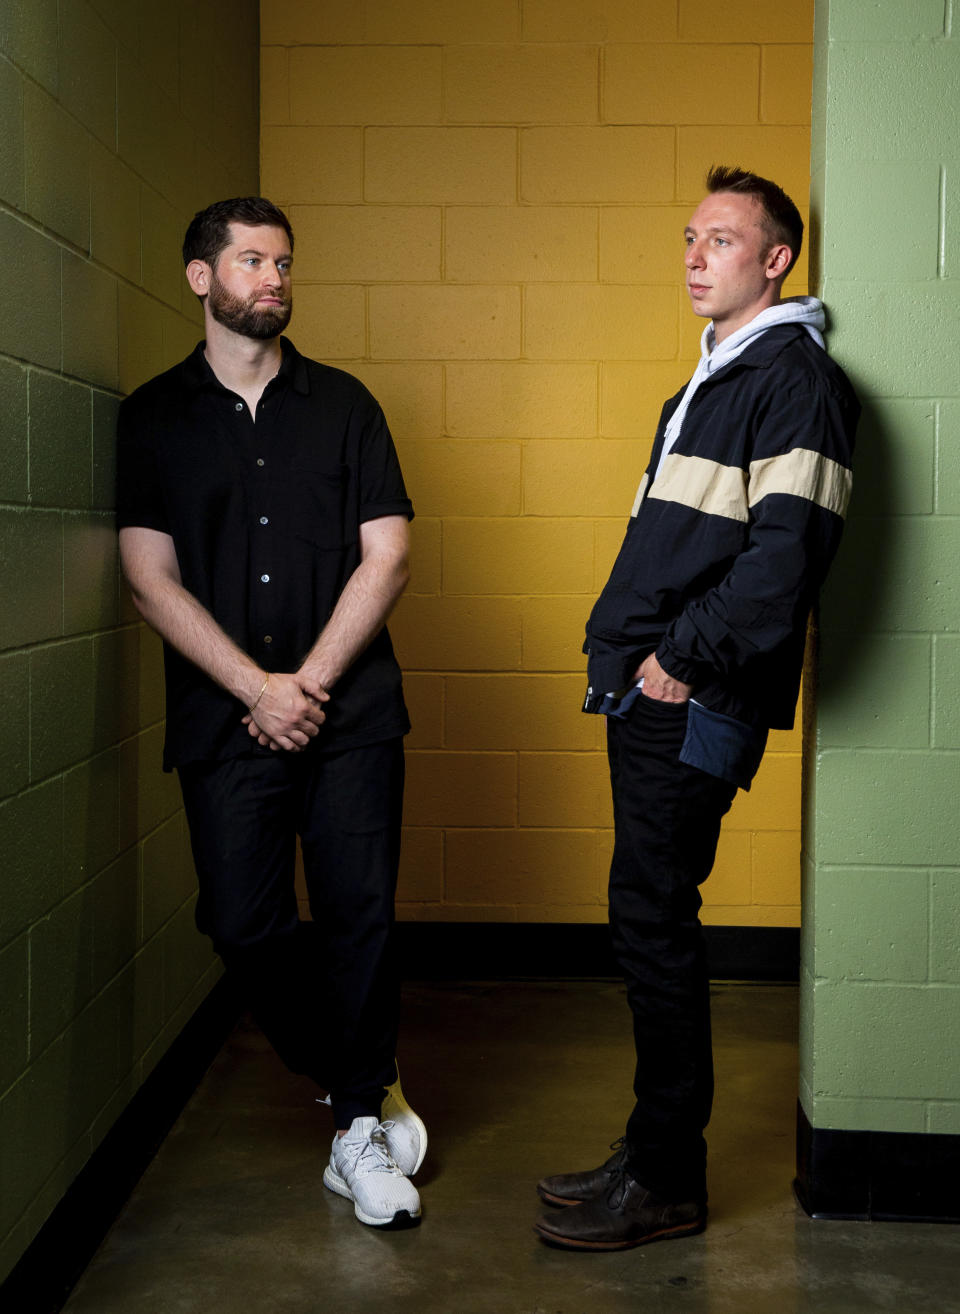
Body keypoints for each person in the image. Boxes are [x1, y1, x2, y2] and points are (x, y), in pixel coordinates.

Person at [534, 166, 859, 1251]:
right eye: (688, 235)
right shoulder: (713, 377)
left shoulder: (793, 377)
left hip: (692, 695)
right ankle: (653, 1147)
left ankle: (668, 1177)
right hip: (649, 688)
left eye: (720, 239)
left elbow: (785, 563)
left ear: (776, 260)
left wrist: (679, 657)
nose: (693, 254)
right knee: (649, 916)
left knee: (655, 920)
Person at [117, 197, 425, 1230]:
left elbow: (387, 554)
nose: (274, 277)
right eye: (251, 260)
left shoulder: (345, 405)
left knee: (358, 918)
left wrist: (308, 685)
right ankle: (362, 1081)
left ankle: (353, 1128)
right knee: (243, 922)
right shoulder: (152, 416)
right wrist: (257, 690)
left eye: (284, 261)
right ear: (202, 278)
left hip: (353, 715)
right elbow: (147, 577)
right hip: (225, 721)